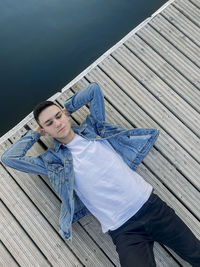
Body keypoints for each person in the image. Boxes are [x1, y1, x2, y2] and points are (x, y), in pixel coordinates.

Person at [2, 83, 200, 267]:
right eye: (49, 123)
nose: (57, 123)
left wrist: (67, 109)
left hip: (152, 207)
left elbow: (93, 90)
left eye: (58, 116)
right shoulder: (54, 162)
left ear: (65, 115)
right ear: (45, 129)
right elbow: (10, 158)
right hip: (124, 231)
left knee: (196, 254)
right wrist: (36, 133)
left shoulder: (94, 128)